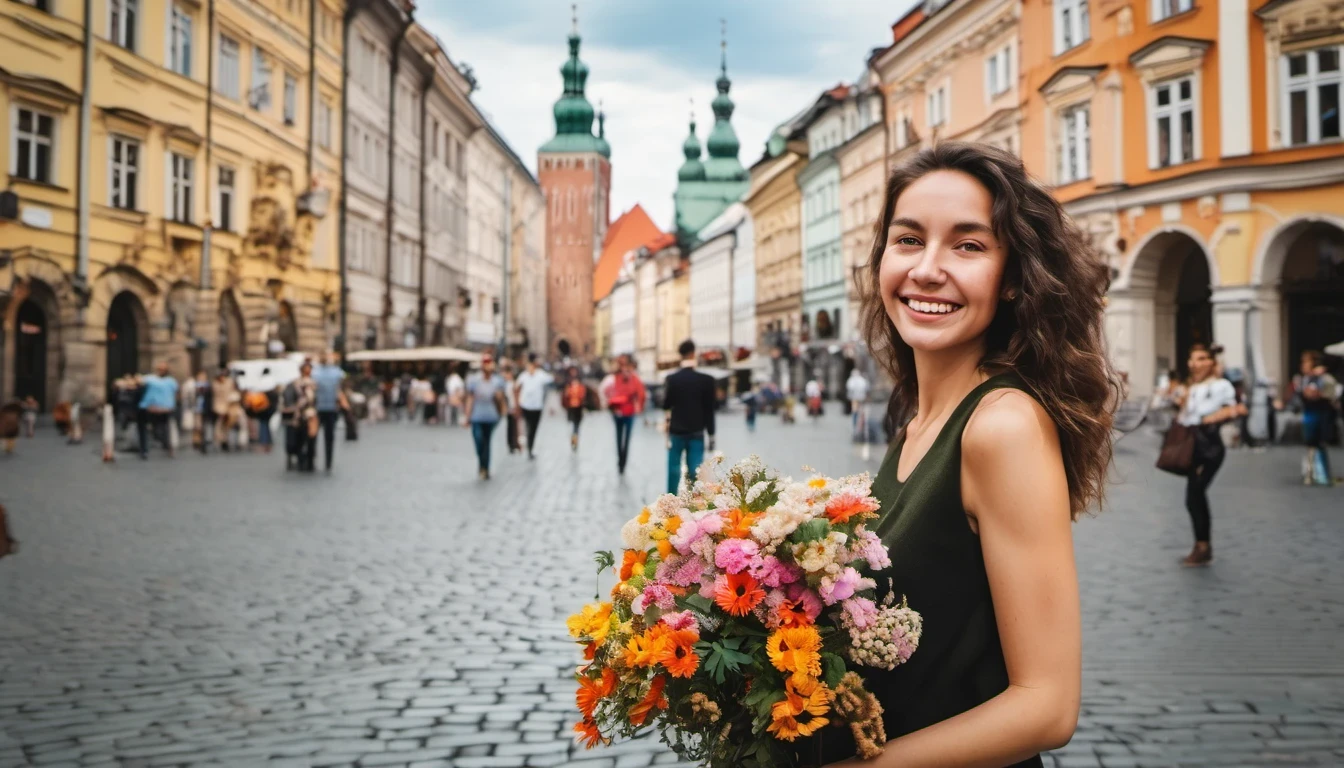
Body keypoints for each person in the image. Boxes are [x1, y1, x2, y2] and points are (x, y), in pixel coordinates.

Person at [813, 143, 1117, 766]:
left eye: (968, 245)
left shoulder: (1001, 426)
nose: (927, 269)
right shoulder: (919, 422)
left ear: (1011, 281)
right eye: (908, 239)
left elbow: (1047, 705)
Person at [1171, 344, 1240, 566]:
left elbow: (1237, 408)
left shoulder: (1221, 385)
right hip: (1192, 443)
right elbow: (1184, 414)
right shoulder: (1191, 386)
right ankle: (1202, 546)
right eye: (1193, 359)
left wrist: (1211, 418)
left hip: (1208, 446)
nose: (1195, 363)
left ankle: (1202, 547)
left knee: (1195, 496)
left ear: (1211, 362)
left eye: (1201, 359)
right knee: (1194, 497)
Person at [662, 339, 717, 494]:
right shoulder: (706, 380)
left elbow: (666, 405)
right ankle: (694, 502)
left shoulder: (672, 379)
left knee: (673, 470)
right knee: (695, 471)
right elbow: (709, 410)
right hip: (696, 431)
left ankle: (670, 501)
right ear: (693, 353)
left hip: (677, 431)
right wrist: (711, 435)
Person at [1296, 350, 1338, 486]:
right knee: (1310, 443)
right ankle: (1311, 472)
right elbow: (1305, 394)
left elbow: (1321, 395)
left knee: (1318, 443)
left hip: (1320, 414)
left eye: (1306, 362)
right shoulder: (1305, 378)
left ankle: (1320, 473)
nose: (1303, 365)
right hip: (1310, 413)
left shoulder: (1323, 378)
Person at [463, 353, 507, 479]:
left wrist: (501, 405)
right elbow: (470, 399)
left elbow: (501, 399)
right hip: (477, 416)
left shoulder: (497, 381)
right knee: (478, 440)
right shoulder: (475, 380)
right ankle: (481, 463)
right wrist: (467, 416)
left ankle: (485, 468)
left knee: (487, 442)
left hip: (491, 416)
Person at [603, 354, 646, 475]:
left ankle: (623, 462)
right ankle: (620, 460)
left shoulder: (634, 379)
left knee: (626, 438)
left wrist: (639, 407)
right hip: (618, 412)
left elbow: (641, 394)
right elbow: (606, 391)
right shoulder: (616, 378)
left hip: (628, 412)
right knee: (619, 436)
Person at [312, 352, 349, 472]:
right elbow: (342, 384)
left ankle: (312, 460)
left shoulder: (315, 372)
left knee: (313, 435)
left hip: (318, 408)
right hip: (331, 408)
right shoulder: (336, 371)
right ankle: (328, 462)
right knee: (330, 437)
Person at [515, 354, 554, 460]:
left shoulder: (540, 374)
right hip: (526, 405)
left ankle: (530, 447)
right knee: (528, 426)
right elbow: (516, 387)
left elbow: (551, 379)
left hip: (537, 406)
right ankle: (529, 446)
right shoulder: (523, 375)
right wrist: (517, 402)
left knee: (534, 428)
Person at [137, 362, 179, 459]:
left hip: (165, 409)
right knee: (144, 429)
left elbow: (176, 393)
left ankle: (169, 447)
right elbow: (138, 381)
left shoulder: (171, 381)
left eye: (163, 369)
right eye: (160, 369)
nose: (161, 371)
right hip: (149, 408)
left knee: (167, 429)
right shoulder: (150, 378)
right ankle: (144, 450)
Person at [562, 366, 589, 451]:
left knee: (576, 426)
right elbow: (566, 396)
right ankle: (574, 439)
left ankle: (574, 440)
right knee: (573, 425)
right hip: (571, 407)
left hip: (578, 407)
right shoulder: (568, 385)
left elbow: (583, 396)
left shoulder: (580, 385)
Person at [212, 370, 241, 451]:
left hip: (229, 408)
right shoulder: (216, 384)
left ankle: (228, 441)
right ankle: (222, 441)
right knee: (220, 426)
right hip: (220, 408)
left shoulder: (228, 382)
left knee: (230, 425)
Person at [501, 363, 521, 454]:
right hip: (510, 407)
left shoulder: (512, 383)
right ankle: (511, 444)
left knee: (513, 426)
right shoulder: (507, 384)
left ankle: (513, 444)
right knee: (511, 427)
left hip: (512, 407)